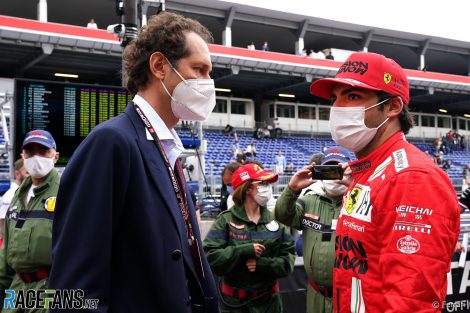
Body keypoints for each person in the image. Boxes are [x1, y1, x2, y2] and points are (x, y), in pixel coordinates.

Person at [49, 12, 219, 313]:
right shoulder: (111, 143)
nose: (208, 82)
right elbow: (73, 289)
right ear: (159, 66)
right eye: (199, 69)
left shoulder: (165, 148)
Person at [309, 51, 460, 312]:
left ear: (392, 106)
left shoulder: (412, 180)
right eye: (335, 98)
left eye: (353, 96)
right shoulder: (368, 172)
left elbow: (411, 303)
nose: (337, 107)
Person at [203, 163, 295, 313]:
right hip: (234, 305)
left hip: (269, 304)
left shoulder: (275, 221)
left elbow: (288, 261)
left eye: (268, 183)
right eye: (263, 183)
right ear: (247, 189)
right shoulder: (225, 221)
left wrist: (263, 264)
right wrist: (242, 251)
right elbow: (210, 257)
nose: (268, 187)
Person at [275, 147, 352, 313]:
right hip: (316, 294)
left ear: (347, 170)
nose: (332, 176)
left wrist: (357, 186)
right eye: (326, 170)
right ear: (319, 172)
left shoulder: (360, 201)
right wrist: (292, 189)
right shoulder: (309, 200)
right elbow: (282, 215)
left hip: (348, 296)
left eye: (337, 170)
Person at [0, 130, 60, 312]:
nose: (36, 157)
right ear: (22, 156)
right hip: (17, 287)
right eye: (30, 151)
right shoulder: (18, 195)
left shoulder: (67, 192)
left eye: (43, 151)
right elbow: (7, 249)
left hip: (48, 288)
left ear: (55, 157)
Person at [0, 158, 28, 243]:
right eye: (27, 173)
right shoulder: (10, 196)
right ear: (17, 174)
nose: (31, 176)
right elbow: (2, 225)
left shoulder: (25, 193)